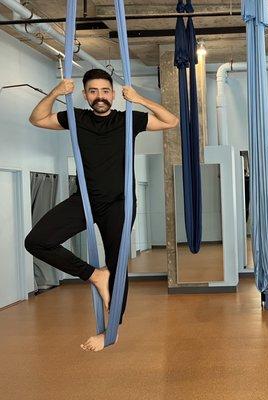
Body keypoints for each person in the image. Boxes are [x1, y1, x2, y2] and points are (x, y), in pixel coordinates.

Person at [24, 69, 179, 352]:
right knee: (36, 241)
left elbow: (172, 120)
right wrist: (56, 93)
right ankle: (95, 275)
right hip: (84, 199)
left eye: (105, 91)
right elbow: (37, 119)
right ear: (85, 95)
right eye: (93, 91)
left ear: (113, 93)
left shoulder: (128, 119)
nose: (100, 97)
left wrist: (140, 98)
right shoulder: (76, 118)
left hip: (119, 202)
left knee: (118, 264)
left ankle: (112, 331)